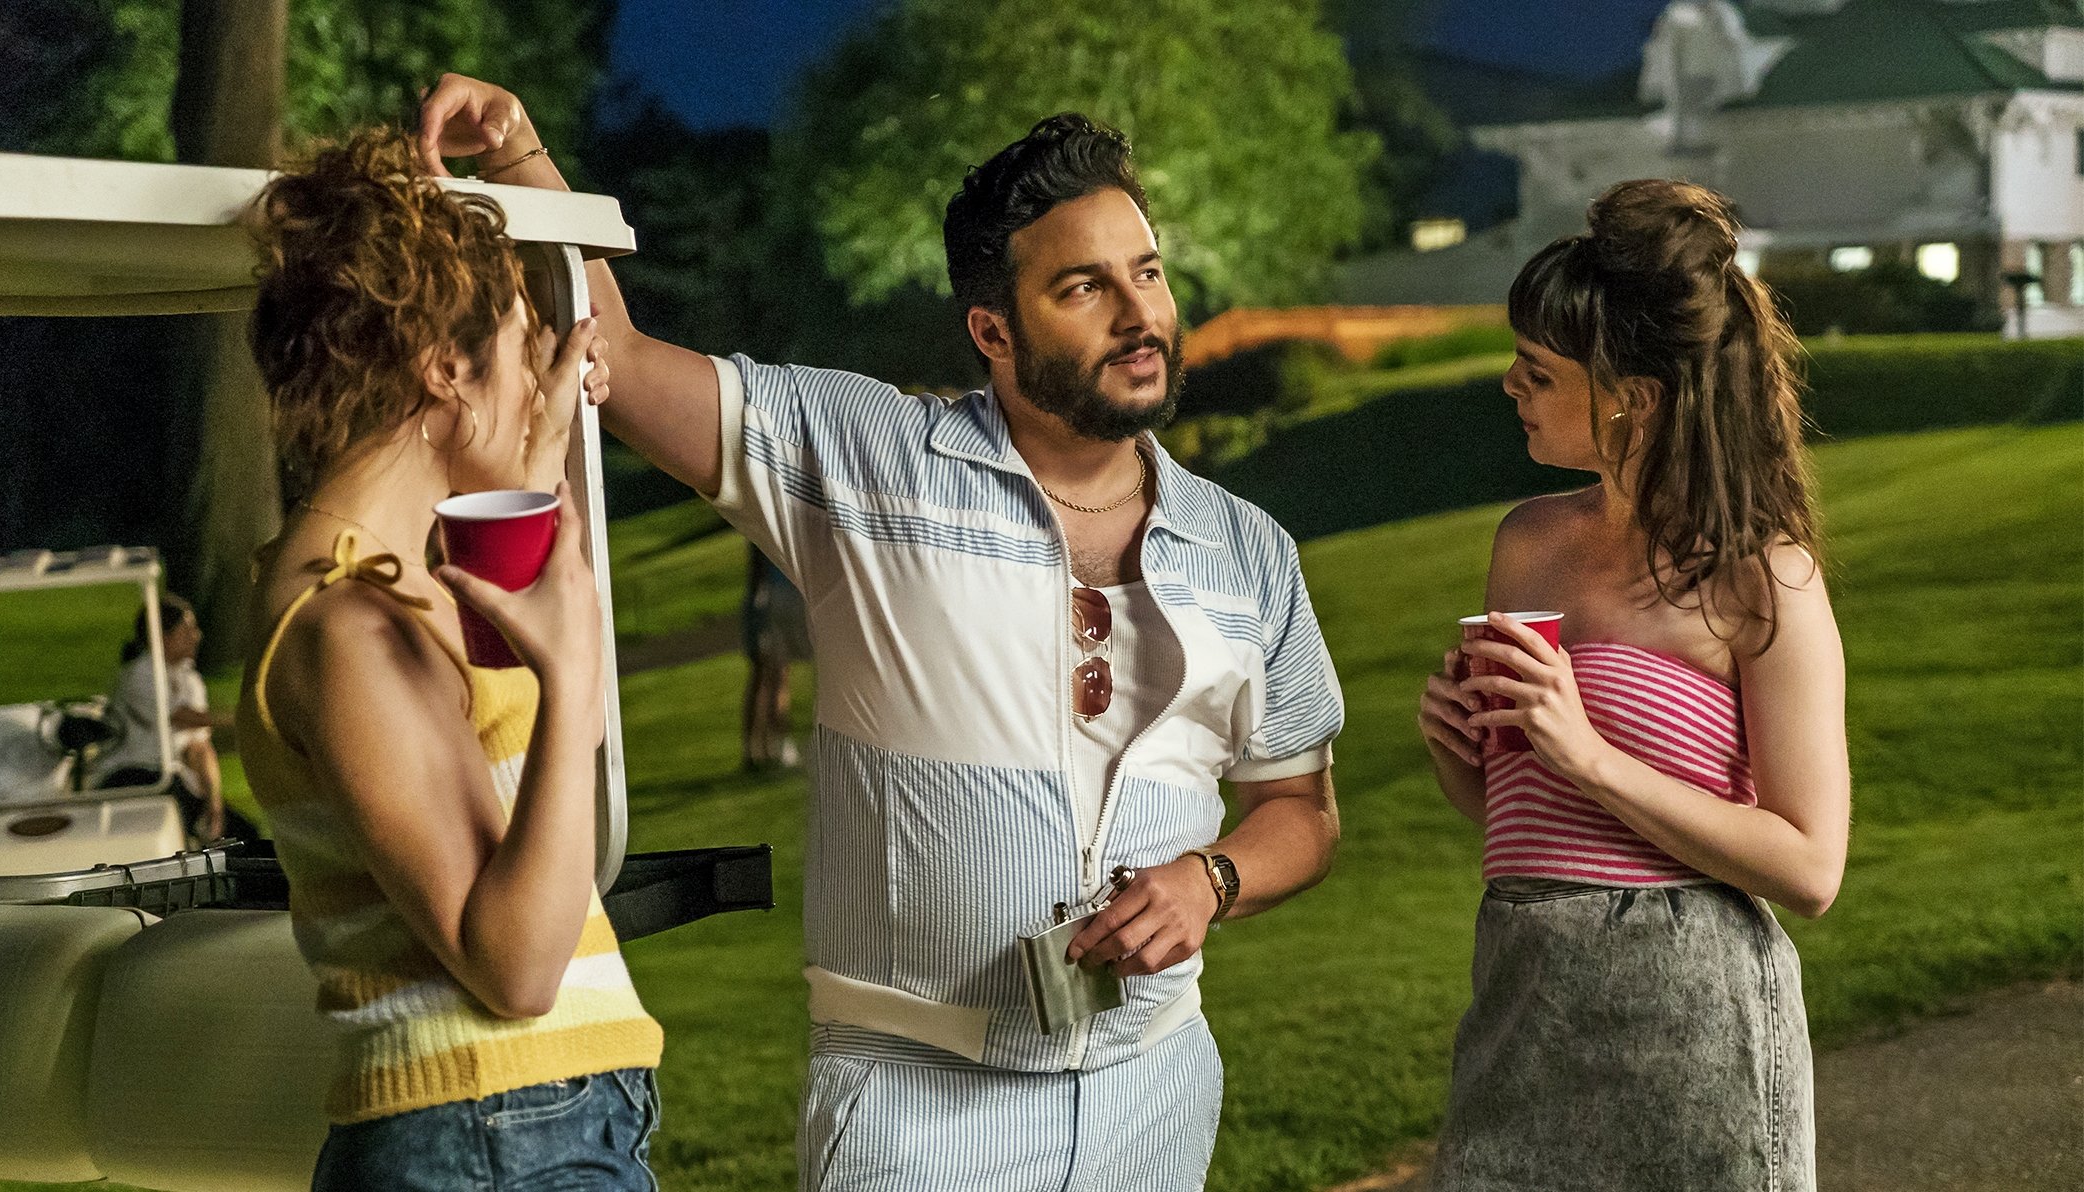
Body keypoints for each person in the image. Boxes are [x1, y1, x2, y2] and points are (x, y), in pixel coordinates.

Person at [418, 75, 1345, 1190]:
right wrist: (517, 151)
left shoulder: (1249, 552)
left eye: (1146, 273)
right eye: (1084, 288)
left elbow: (1300, 810)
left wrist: (1212, 878)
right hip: (912, 1114)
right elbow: (609, 350)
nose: (1137, 313)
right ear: (993, 331)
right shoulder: (866, 459)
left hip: (1155, 1098)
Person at [233, 129, 664, 1190]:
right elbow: (515, 964)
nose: (540, 378)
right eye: (520, 347)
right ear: (443, 367)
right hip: (498, 1130)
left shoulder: (389, 584)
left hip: (516, 1125)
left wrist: (533, 461)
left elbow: (520, 787)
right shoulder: (350, 623)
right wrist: (567, 682)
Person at [1415, 180, 1849, 1191]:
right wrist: (1459, 753)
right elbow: (1526, 822)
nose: (1509, 385)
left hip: (1694, 1020)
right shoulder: (1526, 542)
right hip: (1522, 992)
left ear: (1633, 398)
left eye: (1537, 371)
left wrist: (1589, 754)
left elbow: (1809, 865)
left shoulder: (1761, 578)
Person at [95, 592, 259, 845]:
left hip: (172, 780)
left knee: (244, 834)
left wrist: (213, 802)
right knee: (177, 805)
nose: (196, 636)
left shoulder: (189, 680)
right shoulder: (138, 675)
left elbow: (199, 748)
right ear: (162, 637)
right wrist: (245, 716)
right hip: (131, 775)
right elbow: (181, 717)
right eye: (187, 630)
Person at [740, 541, 810, 771]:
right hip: (774, 600)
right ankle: (775, 747)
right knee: (774, 676)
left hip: (769, 599)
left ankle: (761, 749)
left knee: (766, 676)